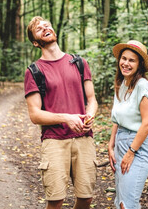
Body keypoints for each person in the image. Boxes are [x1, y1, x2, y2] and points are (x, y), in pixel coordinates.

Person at [24, 16, 98, 209]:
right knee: (55, 200)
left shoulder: (79, 63)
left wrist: (89, 115)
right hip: (54, 141)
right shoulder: (34, 71)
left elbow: (91, 100)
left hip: (84, 139)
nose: (44, 28)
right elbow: (35, 114)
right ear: (35, 42)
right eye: (38, 29)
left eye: (46, 25)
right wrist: (66, 118)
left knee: (85, 198)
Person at [108, 40, 148, 209]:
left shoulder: (143, 86)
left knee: (128, 203)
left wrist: (131, 152)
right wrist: (111, 144)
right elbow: (117, 119)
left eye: (132, 60)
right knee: (121, 201)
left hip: (137, 146)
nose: (126, 63)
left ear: (139, 65)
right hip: (121, 142)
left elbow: (147, 124)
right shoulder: (122, 84)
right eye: (124, 58)